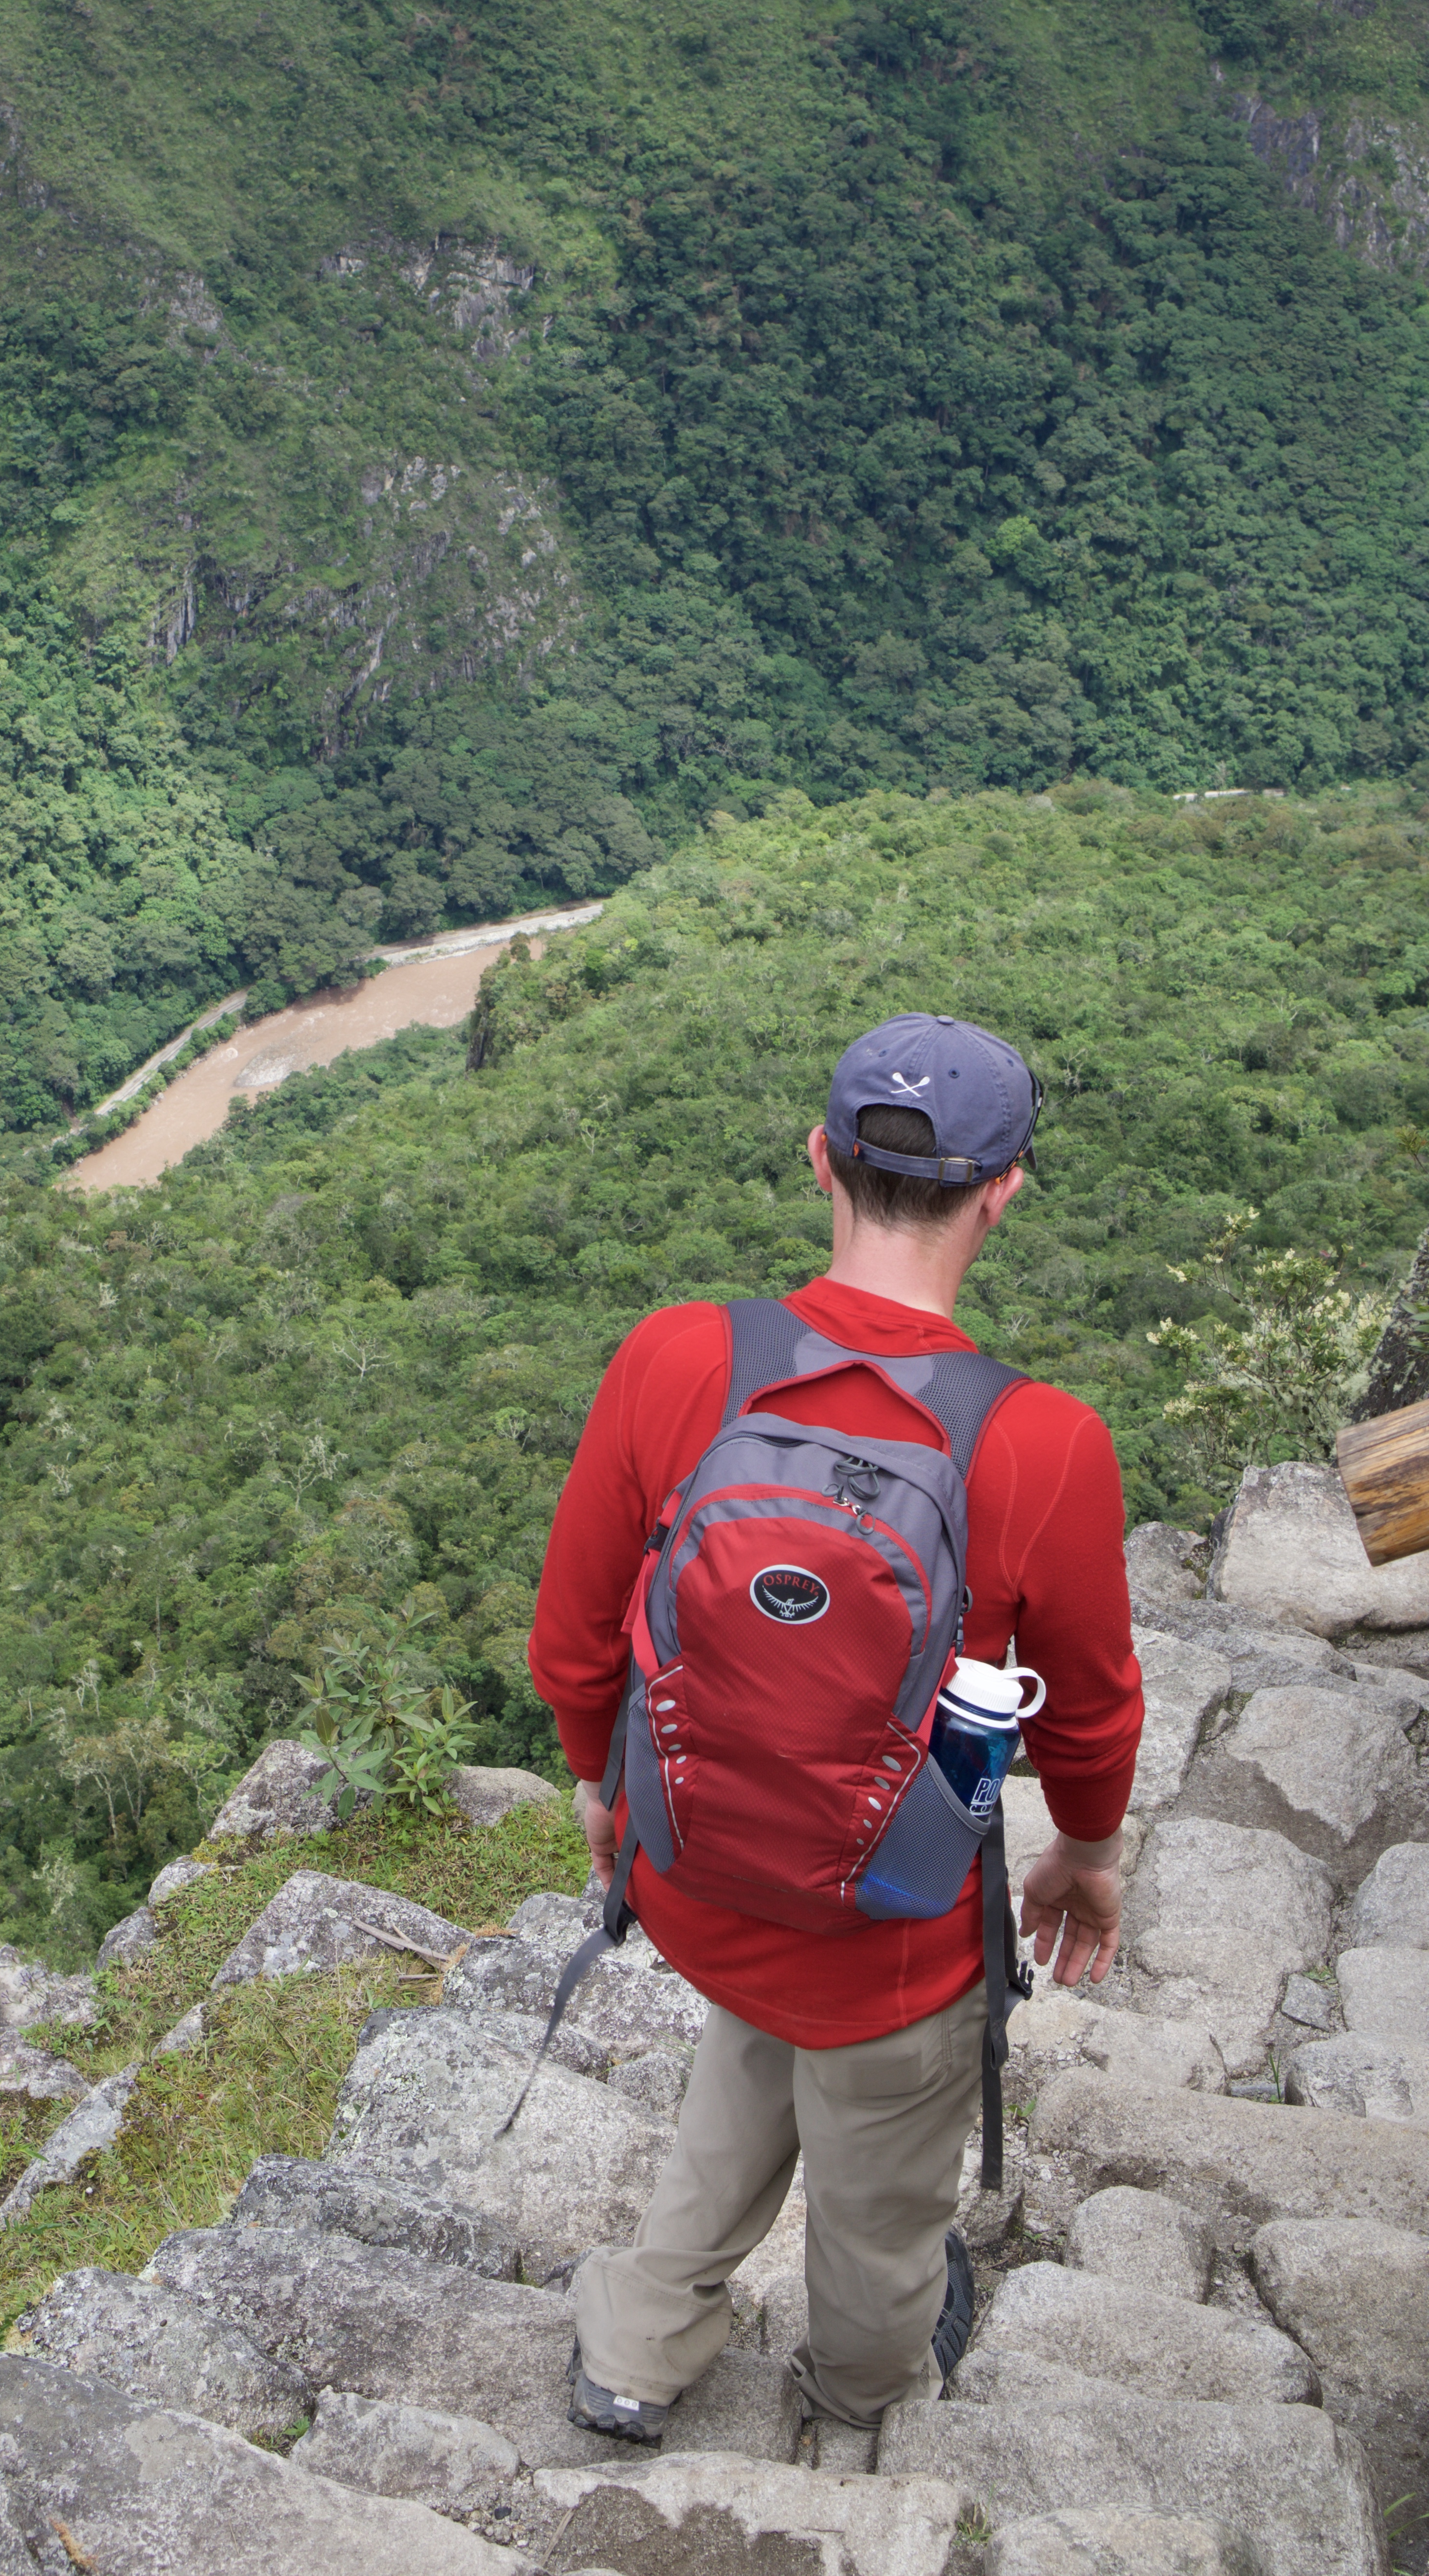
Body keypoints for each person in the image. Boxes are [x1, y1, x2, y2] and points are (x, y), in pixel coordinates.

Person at [527, 1010, 1144, 2444]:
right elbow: (1095, 1713)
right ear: (1006, 1192)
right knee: (881, 2217)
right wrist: (1088, 1853)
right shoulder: (1042, 1444)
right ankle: (859, 2399)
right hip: (895, 1933)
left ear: (821, 1160)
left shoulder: (680, 1359)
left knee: (746, 2060)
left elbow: (574, 1643)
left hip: (705, 1872)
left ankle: (636, 2344)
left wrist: (602, 1793)